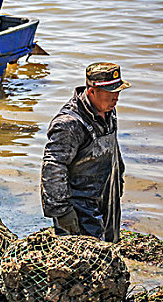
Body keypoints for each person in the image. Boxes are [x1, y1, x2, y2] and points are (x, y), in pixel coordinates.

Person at [40, 62, 131, 243]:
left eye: (118, 92)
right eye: (110, 93)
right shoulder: (69, 123)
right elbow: (53, 167)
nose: (116, 98)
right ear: (91, 92)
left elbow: (113, 150)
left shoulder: (108, 111)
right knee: (85, 263)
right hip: (80, 209)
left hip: (107, 199)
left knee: (110, 253)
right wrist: (62, 211)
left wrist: (118, 180)